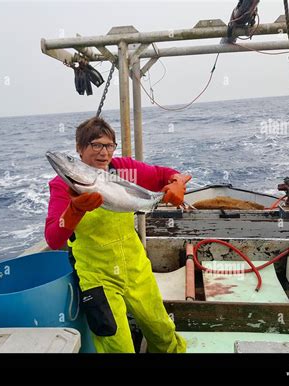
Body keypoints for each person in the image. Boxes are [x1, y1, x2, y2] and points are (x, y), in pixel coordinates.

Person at [45, 116, 190, 353]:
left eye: (109, 145)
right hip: (98, 278)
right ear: (79, 150)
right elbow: (53, 238)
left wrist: (177, 182)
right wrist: (75, 210)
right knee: (117, 346)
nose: (104, 153)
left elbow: (163, 174)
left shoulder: (124, 170)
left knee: (163, 332)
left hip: (136, 268)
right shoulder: (62, 186)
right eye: (96, 145)